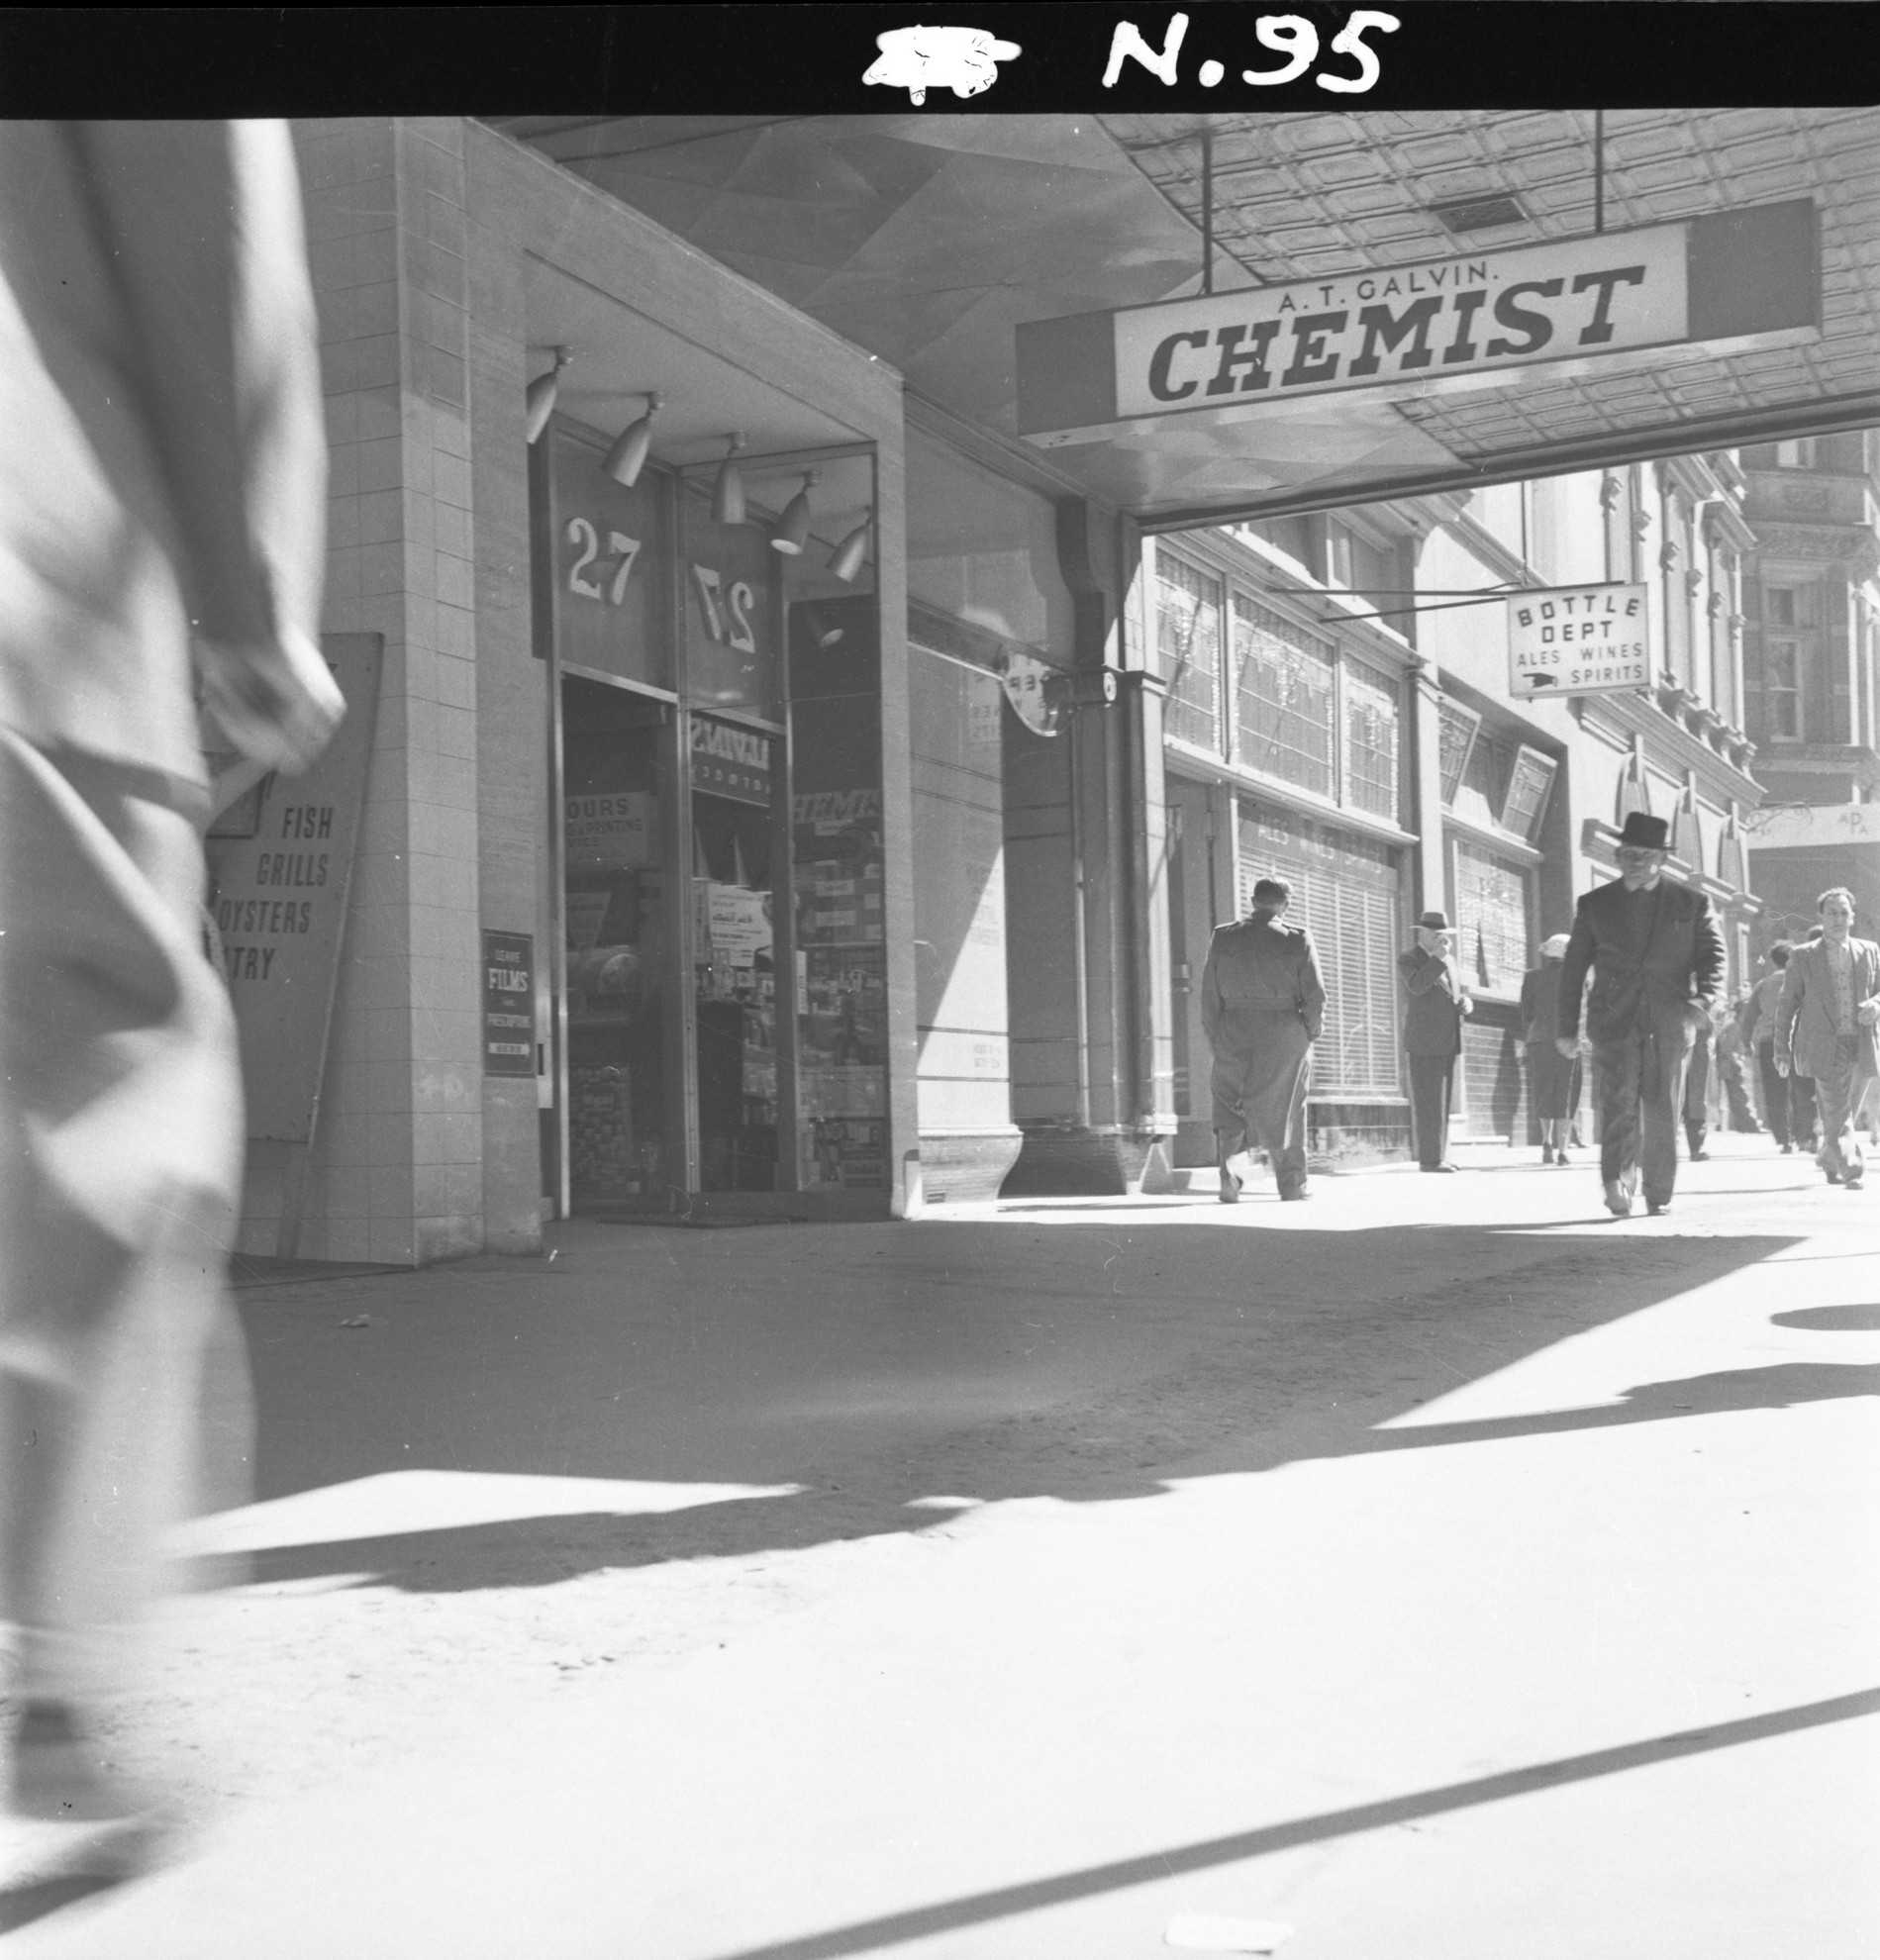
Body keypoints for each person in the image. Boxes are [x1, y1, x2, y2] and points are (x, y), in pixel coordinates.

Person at [0, 122, 341, 1859]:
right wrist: (249, 594)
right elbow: (191, 194)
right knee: (99, 1095)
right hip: (33, 569)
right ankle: (51, 1670)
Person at [1555, 812, 1726, 1218]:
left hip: (1670, 1019)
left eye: (1645, 854)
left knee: (1662, 1104)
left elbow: (1714, 958)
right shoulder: (1595, 905)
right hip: (1614, 1019)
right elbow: (1574, 968)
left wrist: (1703, 1001)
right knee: (1618, 1100)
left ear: (1661, 859)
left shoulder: (1692, 902)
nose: (1635, 861)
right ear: (1618, 856)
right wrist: (1566, 1028)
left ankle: (1658, 1189)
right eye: (1628, 853)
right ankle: (1618, 1180)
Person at [1199, 875, 1327, 1204]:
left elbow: (1209, 995)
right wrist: (1310, 1032)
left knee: (1230, 1106)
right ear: (1285, 904)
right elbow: (1315, 996)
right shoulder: (1298, 938)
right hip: (1285, 1032)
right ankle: (1292, 1184)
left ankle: (1231, 1178)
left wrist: (1216, 1036)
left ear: (1253, 901)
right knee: (1287, 1108)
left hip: (1233, 1028)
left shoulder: (1223, 937)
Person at [1773, 887, 1880, 1190]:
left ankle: (1830, 1160)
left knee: (1846, 1111)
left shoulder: (1870, 951)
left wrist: (1876, 1004)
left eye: (1844, 912)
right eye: (1832, 912)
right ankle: (1852, 1167)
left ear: (1852, 917)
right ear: (1820, 916)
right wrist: (1782, 1052)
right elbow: (1786, 1007)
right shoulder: (1803, 956)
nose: (1838, 918)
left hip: (1861, 1044)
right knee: (1838, 1111)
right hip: (1823, 1047)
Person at [1398, 909, 1473, 1172]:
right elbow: (1417, 987)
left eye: (1445, 935)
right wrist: (1438, 960)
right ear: (1424, 933)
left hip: (1449, 1038)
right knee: (1428, 1101)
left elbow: (1455, 991)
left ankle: (1438, 1154)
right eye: (1438, 935)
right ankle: (1429, 1160)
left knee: (1441, 1102)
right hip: (1424, 1040)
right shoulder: (1409, 959)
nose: (1443, 940)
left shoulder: (1448, 960)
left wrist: (1465, 1002)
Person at [1740, 941, 1818, 1152]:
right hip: (1800, 1041)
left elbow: (1748, 1018)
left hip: (1769, 1043)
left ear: (1773, 960)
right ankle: (1806, 1136)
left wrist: (1746, 1042)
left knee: (1775, 1091)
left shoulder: (1763, 984)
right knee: (1802, 1088)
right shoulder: (1803, 980)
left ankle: (1784, 1139)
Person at [1519, 931, 1579, 1163]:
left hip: (1539, 1041)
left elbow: (1525, 1013)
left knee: (1544, 1089)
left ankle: (1546, 1142)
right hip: (1568, 1041)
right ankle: (1563, 1150)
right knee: (1566, 1092)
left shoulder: (1532, 978)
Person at [1714, 988, 1761, 1133]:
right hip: (1731, 1067)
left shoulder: (1737, 1026)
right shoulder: (1734, 1026)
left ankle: (1744, 1124)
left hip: (1731, 1065)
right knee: (1739, 1096)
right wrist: (1737, 1062)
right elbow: (1726, 1048)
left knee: (1738, 1096)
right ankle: (1746, 1124)